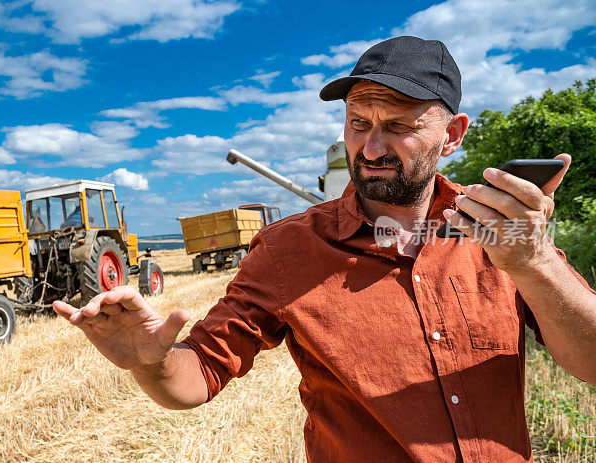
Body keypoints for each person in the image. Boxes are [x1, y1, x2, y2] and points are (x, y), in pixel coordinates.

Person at [53, 36, 596, 462]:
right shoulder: (290, 251)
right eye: (359, 124)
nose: (372, 147)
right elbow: (197, 376)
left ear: (451, 135)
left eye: (400, 127)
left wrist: (535, 261)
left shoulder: (502, 234)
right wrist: (151, 365)